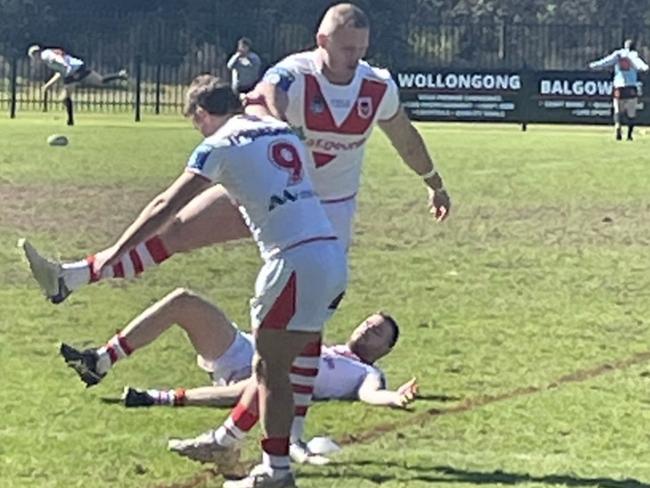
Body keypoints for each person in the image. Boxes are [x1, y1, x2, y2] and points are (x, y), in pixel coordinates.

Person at [20, 3, 451, 306]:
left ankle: (280, 396)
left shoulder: (377, 85)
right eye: (345, 48)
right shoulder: (294, 72)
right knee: (175, 230)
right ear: (321, 40)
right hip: (271, 191)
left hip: (328, 212)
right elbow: (268, 96)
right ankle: (69, 278)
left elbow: (405, 137)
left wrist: (434, 183)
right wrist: (283, 126)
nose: (354, 58)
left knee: (304, 313)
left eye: (361, 48)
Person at [55, 74, 346, 488]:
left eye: (196, 122)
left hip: (292, 262)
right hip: (331, 256)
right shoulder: (280, 128)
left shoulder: (219, 144)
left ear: (203, 114)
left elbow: (165, 206)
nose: (198, 130)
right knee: (275, 368)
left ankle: (275, 472)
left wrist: (115, 252)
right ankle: (235, 446)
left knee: (270, 372)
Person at [59, 288, 417, 462]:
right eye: (368, 323)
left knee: (266, 382)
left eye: (377, 332)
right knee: (184, 300)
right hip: (244, 349)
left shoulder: (366, 372)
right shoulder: (327, 344)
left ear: (385, 349)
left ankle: (157, 397)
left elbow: (372, 394)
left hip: (264, 378)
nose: (367, 329)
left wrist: (395, 397)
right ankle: (101, 360)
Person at [27, 45, 128, 126]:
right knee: (100, 81)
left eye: (33, 57)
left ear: (36, 54)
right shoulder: (47, 56)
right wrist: (48, 85)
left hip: (72, 71)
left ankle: (70, 121)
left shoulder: (45, 55)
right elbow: (59, 72)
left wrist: (65, 65)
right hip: (79, 67)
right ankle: (120, 75)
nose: (34, 60)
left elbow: (58, 59)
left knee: (64, 98)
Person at [589, 39, 649, 141]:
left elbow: (606, 61)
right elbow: (639, 64)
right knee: (631, 111)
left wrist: (594, 65)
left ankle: (618, 127)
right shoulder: (633, 55)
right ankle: (629, 135)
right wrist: (645, 67)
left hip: (619, 86)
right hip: (630, 86)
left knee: (617, 110)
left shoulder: (618, 54)